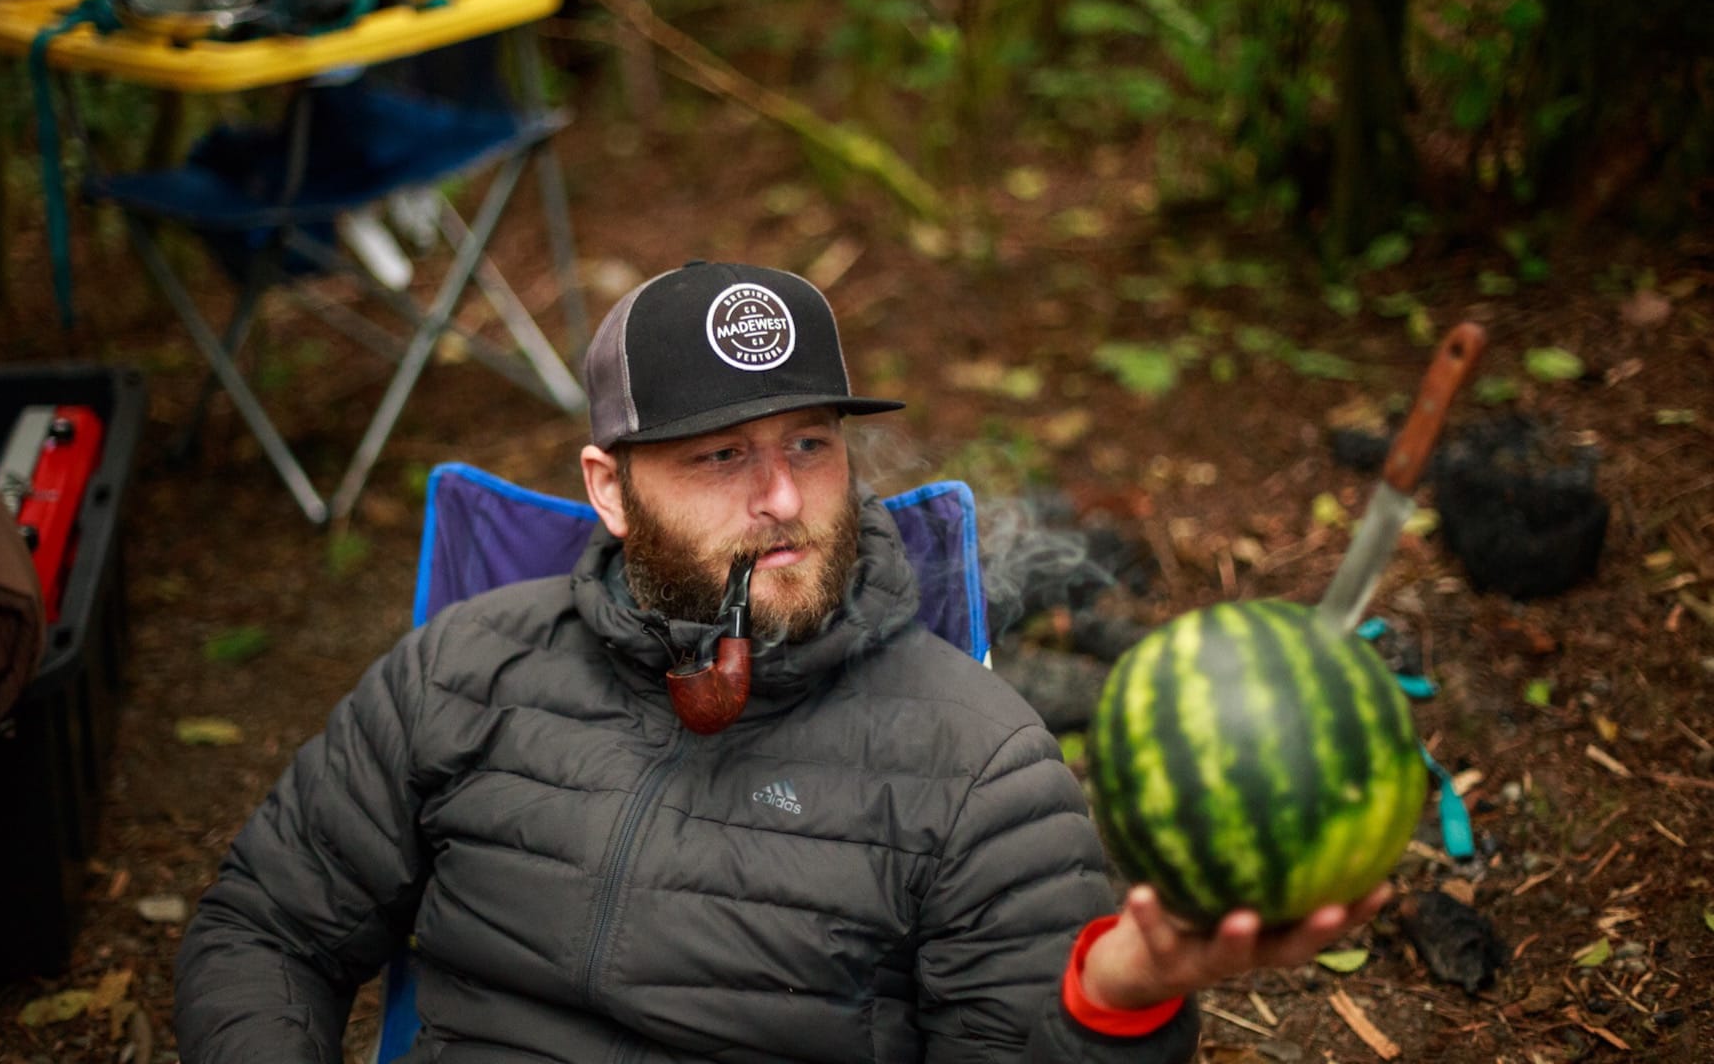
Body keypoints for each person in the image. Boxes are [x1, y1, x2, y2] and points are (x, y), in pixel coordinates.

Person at [175, 260, 1388, 1062]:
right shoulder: (465, 667)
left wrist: (1117, 992)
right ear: (608, 487)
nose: (782, 497)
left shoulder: (977, 761)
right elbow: (264, 927)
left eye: (813, 443)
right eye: (718, 456)